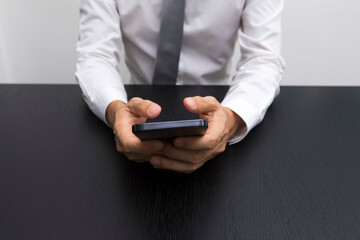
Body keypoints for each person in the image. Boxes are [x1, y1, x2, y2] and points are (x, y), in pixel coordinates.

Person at [75, 0, 285, 173]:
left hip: (219, 117)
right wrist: (115, 110)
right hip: (135, 114)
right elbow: (95, 55)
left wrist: (231, 119)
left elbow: (263, 58)